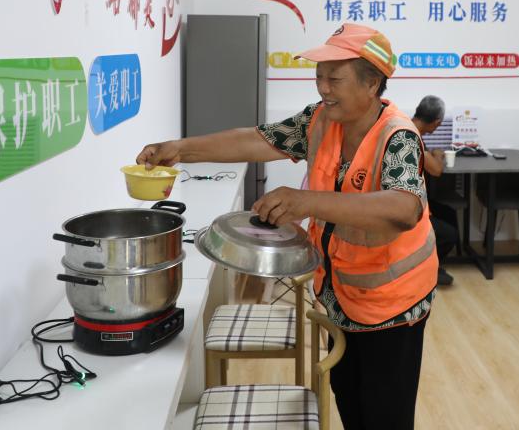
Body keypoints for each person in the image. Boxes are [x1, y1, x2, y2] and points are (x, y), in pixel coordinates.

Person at [136, 23, 437, 430]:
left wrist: (307, 201)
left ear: (371, 84)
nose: (323, 88)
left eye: (334, 79)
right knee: (350, 398)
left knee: (385, 415)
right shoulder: (320, 120)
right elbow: (257, 140)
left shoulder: (398, 136)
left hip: (392, 306)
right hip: (342, 297)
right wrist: (181, 148)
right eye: (319, 77)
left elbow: (404, 209)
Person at [411, 95, 459, 286]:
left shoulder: (411, 127)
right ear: (437, 122)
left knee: (449, 213)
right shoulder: (411, 135)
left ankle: (433, 264)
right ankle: (426, 269)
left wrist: (432, 155)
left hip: (417, 199)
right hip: (410, 206)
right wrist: (438, 154)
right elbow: (436, 170)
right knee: (449, 234)